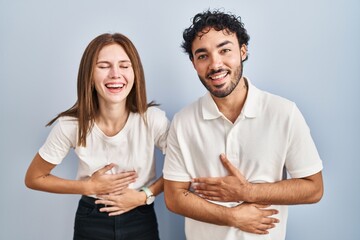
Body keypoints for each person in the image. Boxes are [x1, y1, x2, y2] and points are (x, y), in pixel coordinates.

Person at [163, 9, 324, 240]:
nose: (215, 64)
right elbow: (174, 197)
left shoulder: (283, 112)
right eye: (202, 55)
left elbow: (314, 188)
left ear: (243, 51)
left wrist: (247, 192)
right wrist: (231, 216)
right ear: (194, 63)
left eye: (225, 50)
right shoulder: (183, 122)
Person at [25, 33, 169, 240]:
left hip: (140, 216)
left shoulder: (152, 119)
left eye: (124, 65)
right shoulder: (71, 125)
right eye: (103, 66)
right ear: (89, 75)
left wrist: (143, 196)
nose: (115, 74)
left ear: (135, 72)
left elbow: (183, 167)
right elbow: (34, 178)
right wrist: (89, 186)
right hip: (92, 218)